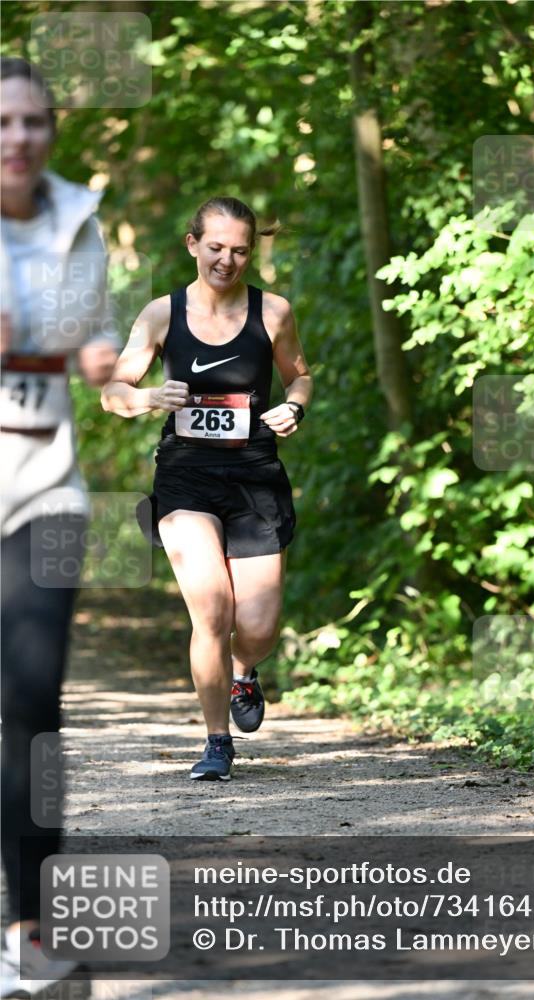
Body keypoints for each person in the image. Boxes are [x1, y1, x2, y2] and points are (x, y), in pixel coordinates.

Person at [101, 196, 313, 781]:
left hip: (254, 477)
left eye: (240, 249)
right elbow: (114, 389)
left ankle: (246, 670)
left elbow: (299, 374)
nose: (228, 259)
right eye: (216, 247)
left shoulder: (272, 313)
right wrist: (145, 397)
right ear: (193, 244)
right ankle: (217, 741)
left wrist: (294, 406)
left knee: (259, 629)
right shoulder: (160, 314)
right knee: (211, 610)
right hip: (185, 477)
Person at [0, 57, 119, 998]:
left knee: (33, 708)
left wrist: (105, 362)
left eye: (35, 122)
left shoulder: (77, 222)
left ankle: (30, 931)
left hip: (47, 492)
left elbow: (91, 345)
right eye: (3, 123)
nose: (19, 139)